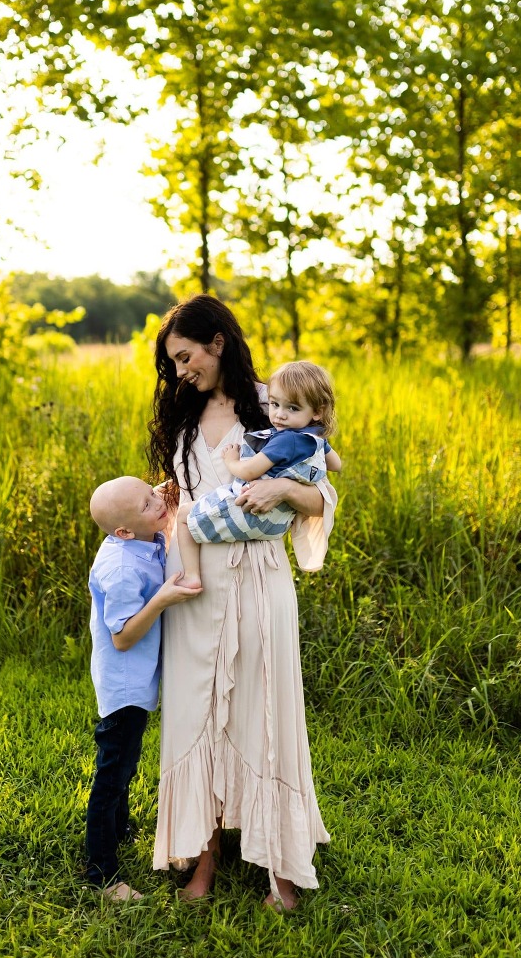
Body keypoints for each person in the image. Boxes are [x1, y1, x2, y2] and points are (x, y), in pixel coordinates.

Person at [147, 296, 339, 912]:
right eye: (173, 362)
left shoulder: (273, 401)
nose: (180, 371)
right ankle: (203, 858)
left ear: (217, 343)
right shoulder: (182, 416)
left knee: (263, 712)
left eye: (186, 357)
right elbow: (179, 506)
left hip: (258, 577)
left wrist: (281, 485)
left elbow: (321, 495)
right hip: (195, 582)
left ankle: (279, 872)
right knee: (196, 712)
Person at [86, 475, 202, 901]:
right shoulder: (119, 567)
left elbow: (151, 503)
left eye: (152, 492)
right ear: (123, 531)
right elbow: (122, 638)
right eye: (146, 502)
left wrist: (161, 495)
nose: (157, 501)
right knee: (112, 775)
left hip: (137, 683)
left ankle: (121, 829)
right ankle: (101, 874)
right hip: (124, 688)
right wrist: (161, 600)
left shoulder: (139, 535)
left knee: (127, 764)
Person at [175, 360, 341, 588]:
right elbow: (336, 464)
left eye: (292, 408)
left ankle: (192, 575)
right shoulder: (316, 440)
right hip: (276, 524)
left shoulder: (285, 440)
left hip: (250, 510)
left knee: (184, 516)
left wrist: (231, 459)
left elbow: (250, 470)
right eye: (274, 404)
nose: (280, 415)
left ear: (317, 411)